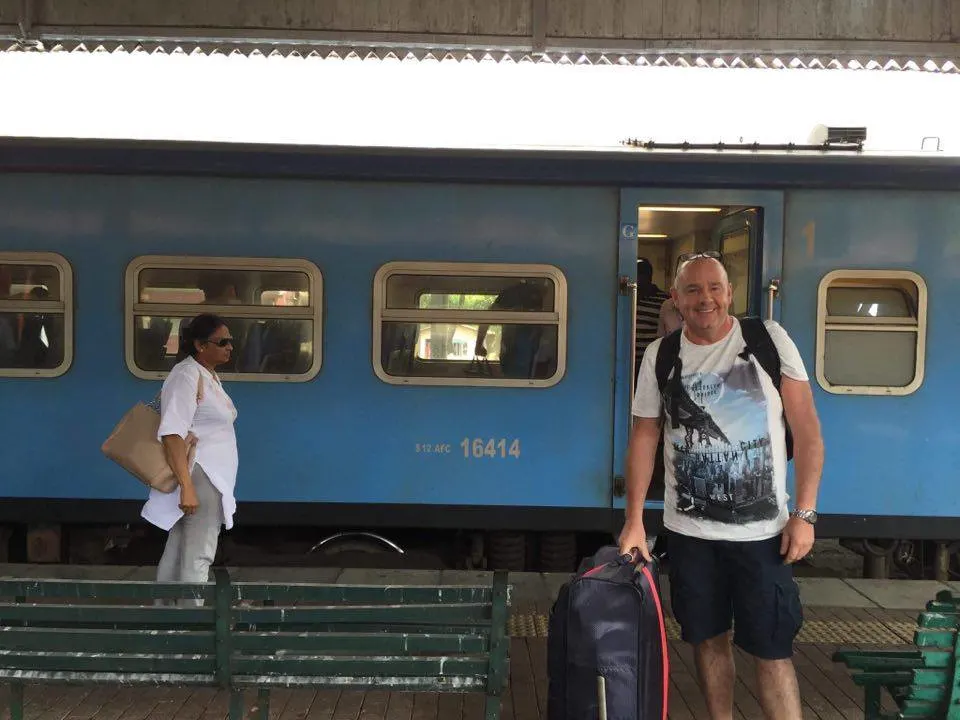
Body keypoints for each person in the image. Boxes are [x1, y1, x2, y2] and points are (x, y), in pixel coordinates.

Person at [619, 252, 824, 720]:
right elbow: (645, 434)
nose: (704, 298)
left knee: (772, 651)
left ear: (730, 294)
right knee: (708, 642)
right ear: (676, 298)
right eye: (692, 289)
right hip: (690, 537)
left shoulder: (768, 340)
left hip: (763, 536)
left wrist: (806, 513)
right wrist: (634, 520)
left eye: (714, 288)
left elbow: (807, 428)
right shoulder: (662, 354)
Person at [141, 313, 239, 604]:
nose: (229, 347)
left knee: (180, 547)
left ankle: (168, 616)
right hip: (200, 476)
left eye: (230, 341)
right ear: (199, 344)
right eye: (222, 342)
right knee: (199, 553)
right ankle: (193, 625)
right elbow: (171, 434)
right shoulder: (186, 376)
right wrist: (187, 486)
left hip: (205, 477)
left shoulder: (205, 374)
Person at [634, 258, 670, 374]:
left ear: (649, 276)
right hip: (624, 360)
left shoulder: (664, 300)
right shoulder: (625, 298)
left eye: (641, 274)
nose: (638, 278)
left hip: (651, 361)